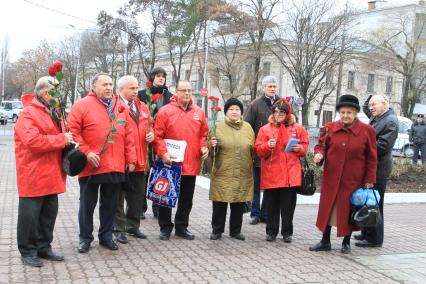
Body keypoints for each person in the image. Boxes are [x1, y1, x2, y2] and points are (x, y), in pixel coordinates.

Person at [68, 73, 136, 253]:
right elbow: (73, 132)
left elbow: (128, 134)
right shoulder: (82, 105)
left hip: (114, 164)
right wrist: (86, 151)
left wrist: (131, 158)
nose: (108, 87)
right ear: (93, 86)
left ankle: (106, 236)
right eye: (104, 84)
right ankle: (85, 238)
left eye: (110, 84)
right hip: (91, 164)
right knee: (87, 205)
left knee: (110, 204)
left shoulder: (120, 106)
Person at [15, 76, 74, 267]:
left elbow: (62, 136)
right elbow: (32, 142)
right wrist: (61, 139)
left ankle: (43, 247)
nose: (59, 95)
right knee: (30, 217)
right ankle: (28, 251)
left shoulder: (54, 112)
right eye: (56, 91)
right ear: (45, 93)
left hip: (51, 171)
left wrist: (69, 141)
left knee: (49, 214)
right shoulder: (29, 113)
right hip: (33, 172)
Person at [309, 94, 377, 254]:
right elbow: (321, 146)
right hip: (331, 178)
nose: (345, 116)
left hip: (353, 179)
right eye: (343, 112)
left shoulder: (368, 131)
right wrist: (319, 155)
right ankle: (325, 241)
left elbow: (372, 158)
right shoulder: (330, 127)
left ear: (355, 113)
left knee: (349, 210)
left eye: (349, 112)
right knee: (328, 209)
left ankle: (346, 243)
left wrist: (369, 179)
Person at [153, 80, 209, 241]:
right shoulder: (165, 111)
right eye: (183, 90)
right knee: (165, 197)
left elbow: (203, 134)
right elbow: (157, 136)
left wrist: (203, 147)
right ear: (176, 92)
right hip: (170, 163)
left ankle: (181, 227)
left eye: (189, 90)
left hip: (191, 162)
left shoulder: (199, 112)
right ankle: (165, 227)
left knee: (186, 198)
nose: (187, 93)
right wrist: (163, 153)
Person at [255, 99, 309, 242]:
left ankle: (287, 233)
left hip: (290, 175)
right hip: (272, 174)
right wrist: (267, 145)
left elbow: (305, 146)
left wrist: (300, 149)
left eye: (282, 112)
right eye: (276, 112)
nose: (279, 115)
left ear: (287, 113)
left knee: (288, 207)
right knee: (271, 206)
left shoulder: (298, 129)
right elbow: (259, 151)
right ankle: (271, 231)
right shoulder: (265, 129)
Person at [113, 76, 154, 244]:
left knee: (137, 195)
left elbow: (150, 127)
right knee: (118, 197)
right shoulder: (114, 107)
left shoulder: (142, 107)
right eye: (132, 88)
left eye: (137, 87)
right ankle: (119, 229)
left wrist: (152, 135)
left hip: (140, 160)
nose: (136, 91)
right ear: (121, 89)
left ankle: (133, 226)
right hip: (121, 160)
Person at [354, 94, 398, 248]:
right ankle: (366, 231)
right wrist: (372, 96)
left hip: (379, 169)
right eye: (371, 104)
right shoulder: (379, 117)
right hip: (372, 168)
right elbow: (365, 107)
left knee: (376, 204)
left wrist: (361, 148)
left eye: (374, 104)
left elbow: (382, 147)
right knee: (368, 201)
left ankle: (375, 239)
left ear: (384, 104)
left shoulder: (390, 121)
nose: (371, 107)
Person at [208, 98, 255, 241]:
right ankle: (217, 230)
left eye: (237, 109)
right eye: (231, 109)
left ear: (241, 112)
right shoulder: (217, 127)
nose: (234, 112)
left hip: (242, 171)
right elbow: (210, 151)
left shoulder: (248, 128)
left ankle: (235, 230)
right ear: (226, 112)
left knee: (238, 203)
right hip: (223, 171)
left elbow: (253, 149)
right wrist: (211, 145)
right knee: (220, 202)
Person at [243, 75, 280, 225]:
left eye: (274, 86)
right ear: (263, 88)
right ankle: (255, 213)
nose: (272, 89)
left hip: (276, 154)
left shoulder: (281, 104)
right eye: (269, 86)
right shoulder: (255, 104)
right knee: (257, 185)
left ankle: (266, 214)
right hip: (259, 152)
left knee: (270, 187)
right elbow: (247, 126)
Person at [138, 66, 173, 219]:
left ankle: (158, 207)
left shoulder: (170, 97)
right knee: (143, 174)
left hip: (161, 140)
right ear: (152, 78)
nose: (161, 78)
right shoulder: (141, 94)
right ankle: (140, 207)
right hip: (145, 139)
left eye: (163, 76)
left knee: (160, 174)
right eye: (158, 76)